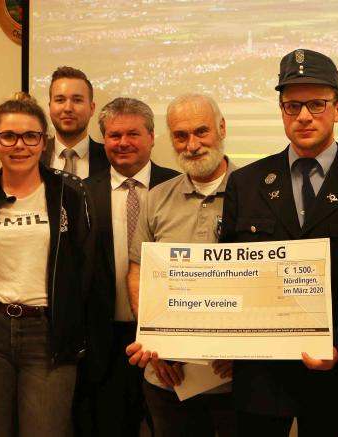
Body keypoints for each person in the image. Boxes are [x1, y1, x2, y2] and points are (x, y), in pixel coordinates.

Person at [219, 48, 338, 437]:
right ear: (281, 110)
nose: (303, 116)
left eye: (316, 104)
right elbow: (228, 275)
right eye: (292, 105)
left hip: (329, 371)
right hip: (259, 376)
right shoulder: (246, 183)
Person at [0, 92, 93, 437]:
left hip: (48, 333)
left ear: (43, 142)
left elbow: (86, 268)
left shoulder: (70, 193)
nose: (20, 145)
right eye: (8, 136)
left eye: (31, 136)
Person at [124, 93, 237, 437]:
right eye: (180, 136)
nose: (192, 145)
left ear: (221, 128)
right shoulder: (157, 197)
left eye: (201, 132)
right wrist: (155, 343)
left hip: (233, 380)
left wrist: (245, 352)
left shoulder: (253, 192)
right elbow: (137, 273)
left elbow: (266, 279)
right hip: (167, 378)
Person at [77, 96, 179, 437]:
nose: (123, 143)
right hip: (105, 344)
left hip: (171, 344)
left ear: (152, 137)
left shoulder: (178, 187)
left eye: (133, 134)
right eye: (114, 135)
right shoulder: (80, 194)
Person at [48, 66, 108, 178]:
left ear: (92, 108)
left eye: (77, 100)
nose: (68, 108)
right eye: (60, 100)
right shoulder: (33, 156)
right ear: (50, 107)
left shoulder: (110, 159)